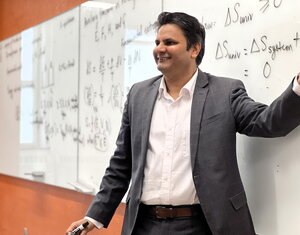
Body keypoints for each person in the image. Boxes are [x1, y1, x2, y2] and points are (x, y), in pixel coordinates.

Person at [66, 12, 300, 235]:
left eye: (169, 42)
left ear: (194, 49)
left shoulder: (225, 92)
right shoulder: (138, 95)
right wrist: (94, 216)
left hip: (206, 224)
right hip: (144, 224)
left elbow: (268, 122)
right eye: (157, 42)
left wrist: (298, 86)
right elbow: (121, 164)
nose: (159, 49)